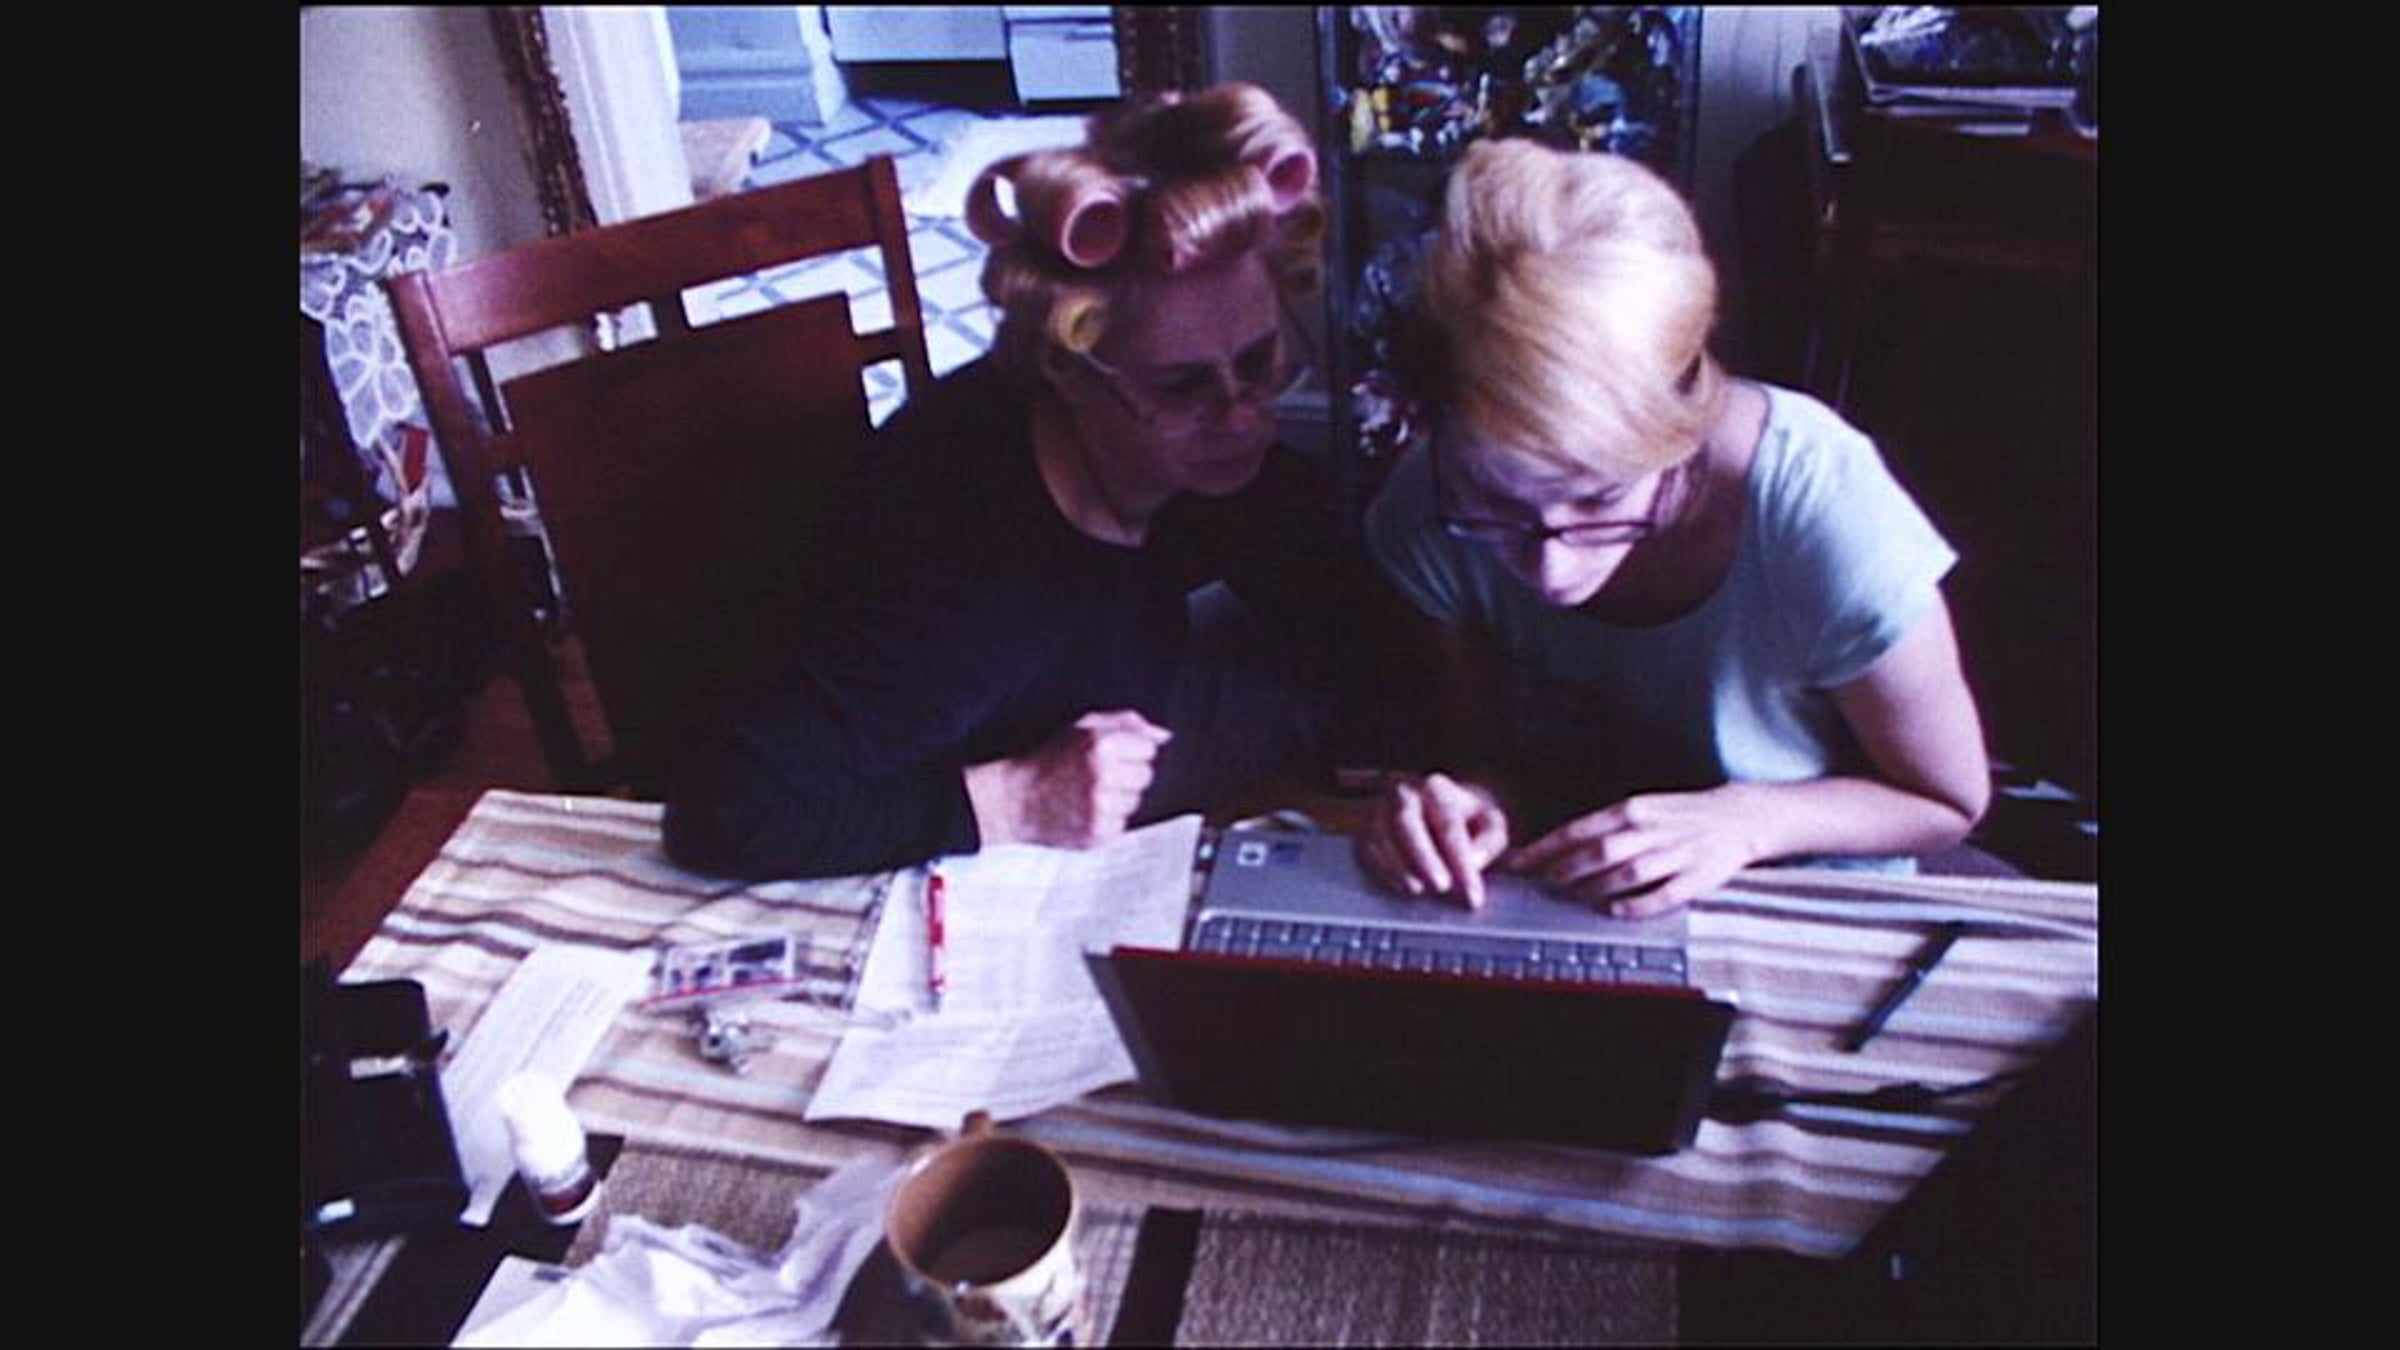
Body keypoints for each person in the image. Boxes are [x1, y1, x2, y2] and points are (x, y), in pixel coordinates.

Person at [664, 83, 1360, 881]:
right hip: (939, 804)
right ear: (1072, 371)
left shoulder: (1183, 444)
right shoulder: (968, 601)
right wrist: (1016, 800)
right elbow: (724, 812)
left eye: (1259, 362)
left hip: (1105, 688)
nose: (1241, 419)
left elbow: (1314, 570)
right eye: (1182, 387)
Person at [1357, 138, 1991, 917]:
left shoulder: (1822, 510)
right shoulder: (1422, 512)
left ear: (1683, 429)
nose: (1552, 572)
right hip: (1561, 891)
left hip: (1794, 893)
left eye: (1599, 500)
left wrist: (1746, 822)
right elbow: (1486, 759)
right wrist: (1466, 806)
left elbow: (1947, 800)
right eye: (1496, 503)